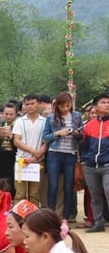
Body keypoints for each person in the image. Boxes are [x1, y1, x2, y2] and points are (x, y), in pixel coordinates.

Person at [42, 91, 83, 226]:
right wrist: (58, 133)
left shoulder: (77, 116)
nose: (66, 108)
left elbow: (82, 135)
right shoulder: (51, 118)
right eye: (62, 106)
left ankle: (65, 219)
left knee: (68, 188)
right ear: (57, 106)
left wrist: (77, 133)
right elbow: (45, 137)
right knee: (53, 187)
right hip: (54, 154)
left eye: (68, 105)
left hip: (70, 154)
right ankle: (51, 218)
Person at [80, 91, 109, 232]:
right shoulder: (89, 125)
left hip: (107, 165)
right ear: (96, 107)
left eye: (108, 103)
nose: (107, 105)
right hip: (90, 166)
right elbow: (83, 146)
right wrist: (85, 161)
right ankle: (98, 222)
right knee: (95, 195)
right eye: (103, 103)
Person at [12, 94, 46, 206]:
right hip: (21, 161)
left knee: (35, 194)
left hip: (37, 161)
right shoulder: (19, 121)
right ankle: (18, 219)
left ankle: (33, 220)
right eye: (27, 104)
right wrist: (33, 151)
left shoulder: (44, 121)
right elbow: (16, 141)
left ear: (39, 104)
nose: (30, 106)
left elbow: (46, 141)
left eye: (32, 103)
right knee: (20, 193)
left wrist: (37, 155)